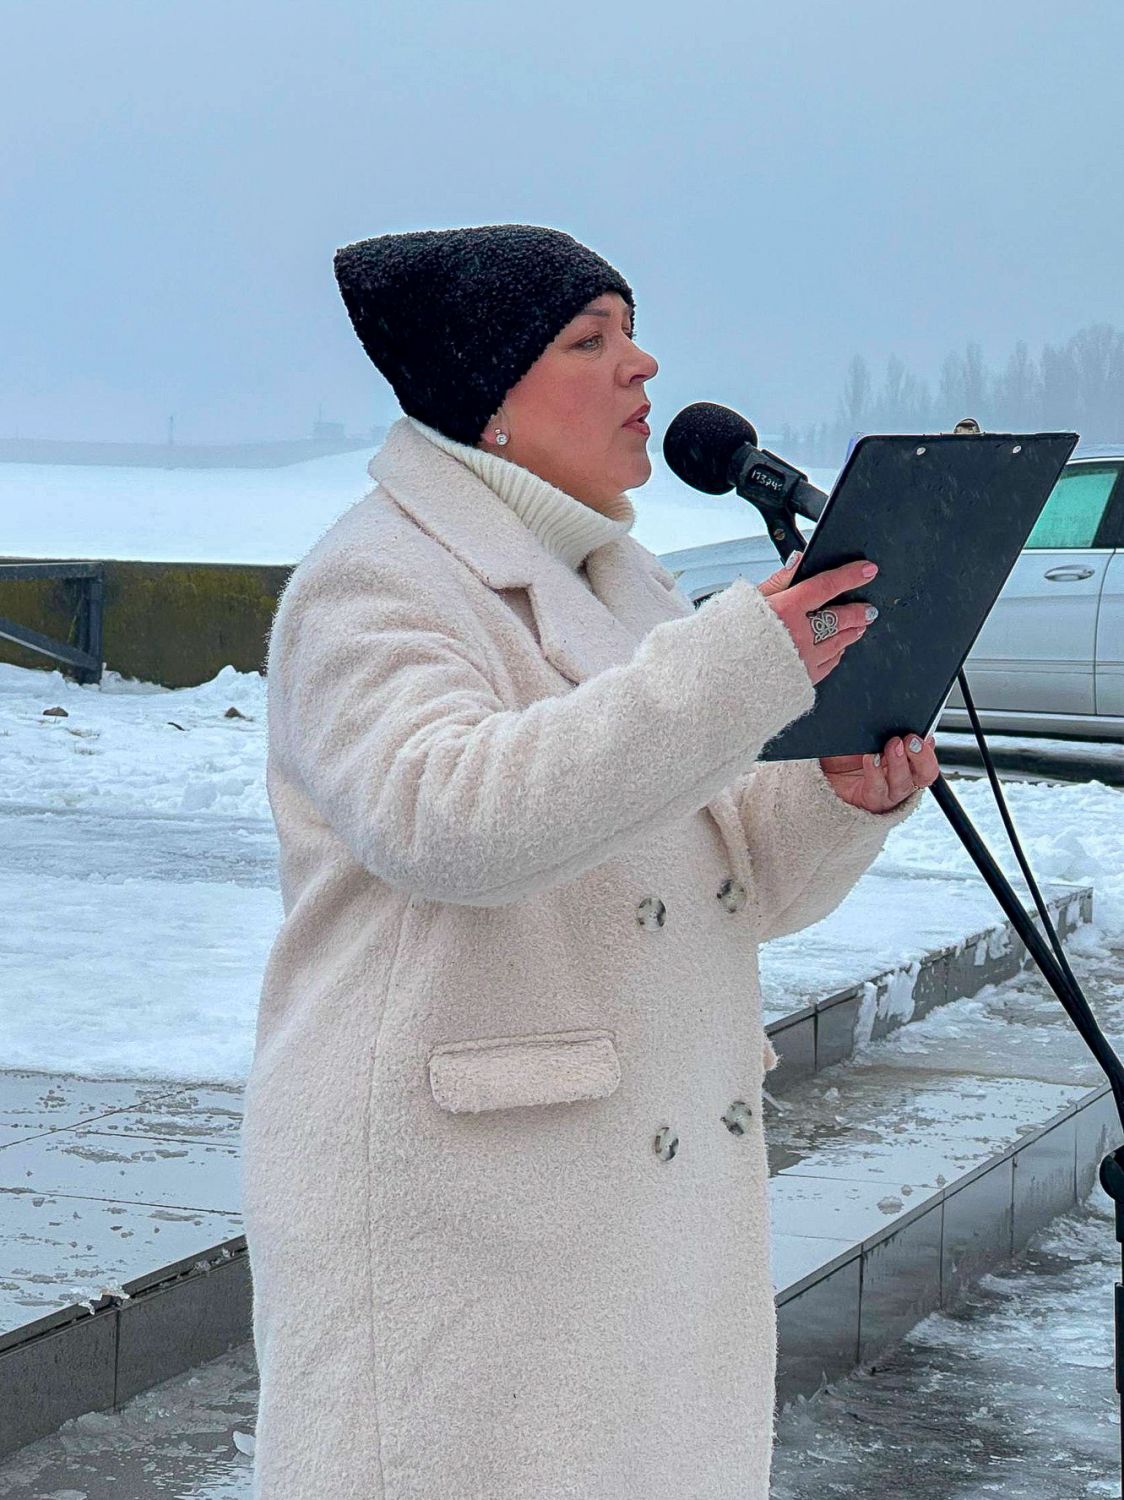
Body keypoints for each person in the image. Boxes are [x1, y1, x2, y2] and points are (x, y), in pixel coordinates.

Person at [240, 223, 938, 1499]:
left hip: (637, 1223)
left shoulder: (624, 584)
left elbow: (734, 887)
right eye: (589, 340)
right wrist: (734, 670)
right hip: (470, 1215)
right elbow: (449, 823)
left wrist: (835, 801)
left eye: (630, 331)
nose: (642, 367)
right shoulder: (373, 583)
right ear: (485, 399)